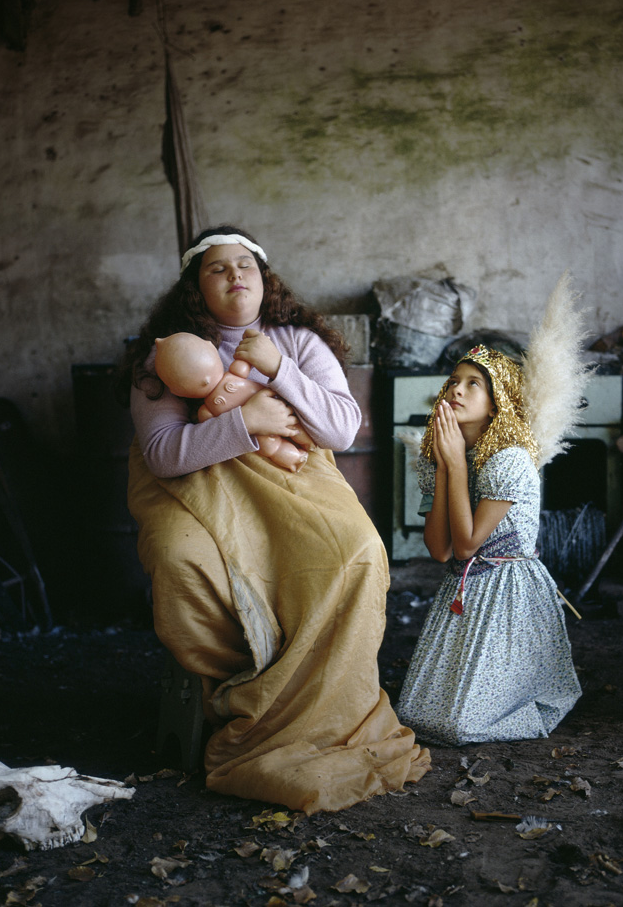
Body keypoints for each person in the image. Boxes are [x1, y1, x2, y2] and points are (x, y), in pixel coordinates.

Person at [118, 224, 430, 813]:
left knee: (356, 550)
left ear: (266, 279)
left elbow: (339, 429)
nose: (235, 275)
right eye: (218, 268)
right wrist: (248, 420)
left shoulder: (300, 341)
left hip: (293, 479)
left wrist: (280, 370)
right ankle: (240, 691)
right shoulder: (167, 353)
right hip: (195, 485)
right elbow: (162, 453)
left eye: (247, 265)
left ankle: (320, 702)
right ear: (194, 285)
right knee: (182, 560)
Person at [396, 273, 589, 745]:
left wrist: (456, 471)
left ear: (497, 402)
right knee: (416, 717)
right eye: (453, 382)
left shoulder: (510, 462)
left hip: (508, 595)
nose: (456, 391)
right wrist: (446, 466)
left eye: (473, 384)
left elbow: (466, 544)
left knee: (461, 726)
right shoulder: (445, 457)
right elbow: (440, 552)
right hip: (462, 594)